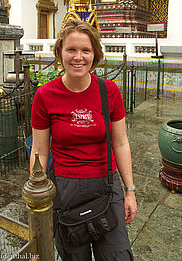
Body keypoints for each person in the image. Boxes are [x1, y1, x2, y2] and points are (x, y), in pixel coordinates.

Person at [30, 19, 137, 261]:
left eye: (85, 50)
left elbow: (120, 143)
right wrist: (38, 197)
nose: (78, 57)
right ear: (60, 53)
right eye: (71, 50)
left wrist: (130, 191)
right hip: (65, 188)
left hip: (106, 184)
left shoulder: (109, 92)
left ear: (94, 55)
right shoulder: (45, 96)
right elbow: (39, 150)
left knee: (117, 255)